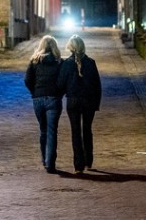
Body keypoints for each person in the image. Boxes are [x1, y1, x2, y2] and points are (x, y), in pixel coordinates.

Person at [58, 33, 102, 174]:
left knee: (75, 131)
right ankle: (89, 161)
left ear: (70, 48)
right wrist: (96, 103)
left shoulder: (66, 64)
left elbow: (60, 84)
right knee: (87, 130)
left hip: (73, 101)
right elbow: (97, 85)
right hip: (88, 100)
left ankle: (78, 165)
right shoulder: (91, 63)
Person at [24, 34, 64, 173]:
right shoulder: (59, 62)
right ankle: (50, 163)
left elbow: (27, 80)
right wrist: (59, 92)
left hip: (38, 99)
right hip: (54, 99)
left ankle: (44, 159)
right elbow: (63, 81)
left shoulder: (34, 61)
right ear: (55, 47)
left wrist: (35, 92)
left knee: (43, 130)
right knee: (52, 131)